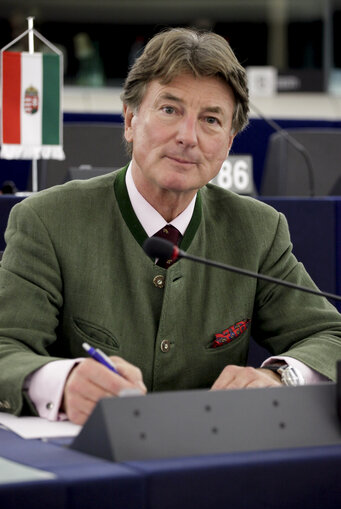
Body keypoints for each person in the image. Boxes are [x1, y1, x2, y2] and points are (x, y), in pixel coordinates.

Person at [0, 28, 340, 426]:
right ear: (130, 120)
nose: (187, 137)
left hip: (213, 465)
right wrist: (62, 381)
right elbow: (5, 344)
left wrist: (278, 377)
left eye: (211, 120)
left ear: (228, 144)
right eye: (169, 110)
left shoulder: (257, 231)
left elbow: (330, 337)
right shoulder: (47, 220)